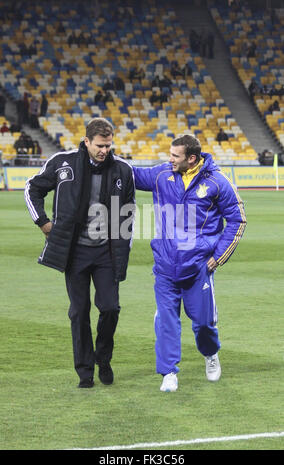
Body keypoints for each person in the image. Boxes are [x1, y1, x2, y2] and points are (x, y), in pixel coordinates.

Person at [25, 117, 135, 388]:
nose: (104, 151)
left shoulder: (122, 170)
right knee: (79, 311)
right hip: (75, 253)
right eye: (99, 145)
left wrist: (123, 249)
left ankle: (103, 358)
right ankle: (85, 371)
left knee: (110, 308)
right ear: (86, 141)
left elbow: (128, 212)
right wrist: (43, 222)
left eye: (109, 146)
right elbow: (33, 188)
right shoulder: (63, 163)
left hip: (106, 252)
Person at [132, 134, 246, 392]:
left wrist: (218, 257)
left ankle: (210, 354)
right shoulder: (162, 175)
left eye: (175, 155)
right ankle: (169, 372)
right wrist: (100, 155)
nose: (169, 159)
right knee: (166, 320)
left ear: (191, 158)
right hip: (165, 266)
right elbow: (131, 174)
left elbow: (238, 219)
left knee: (204, 322)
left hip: (198, 267)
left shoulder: (217, 182)